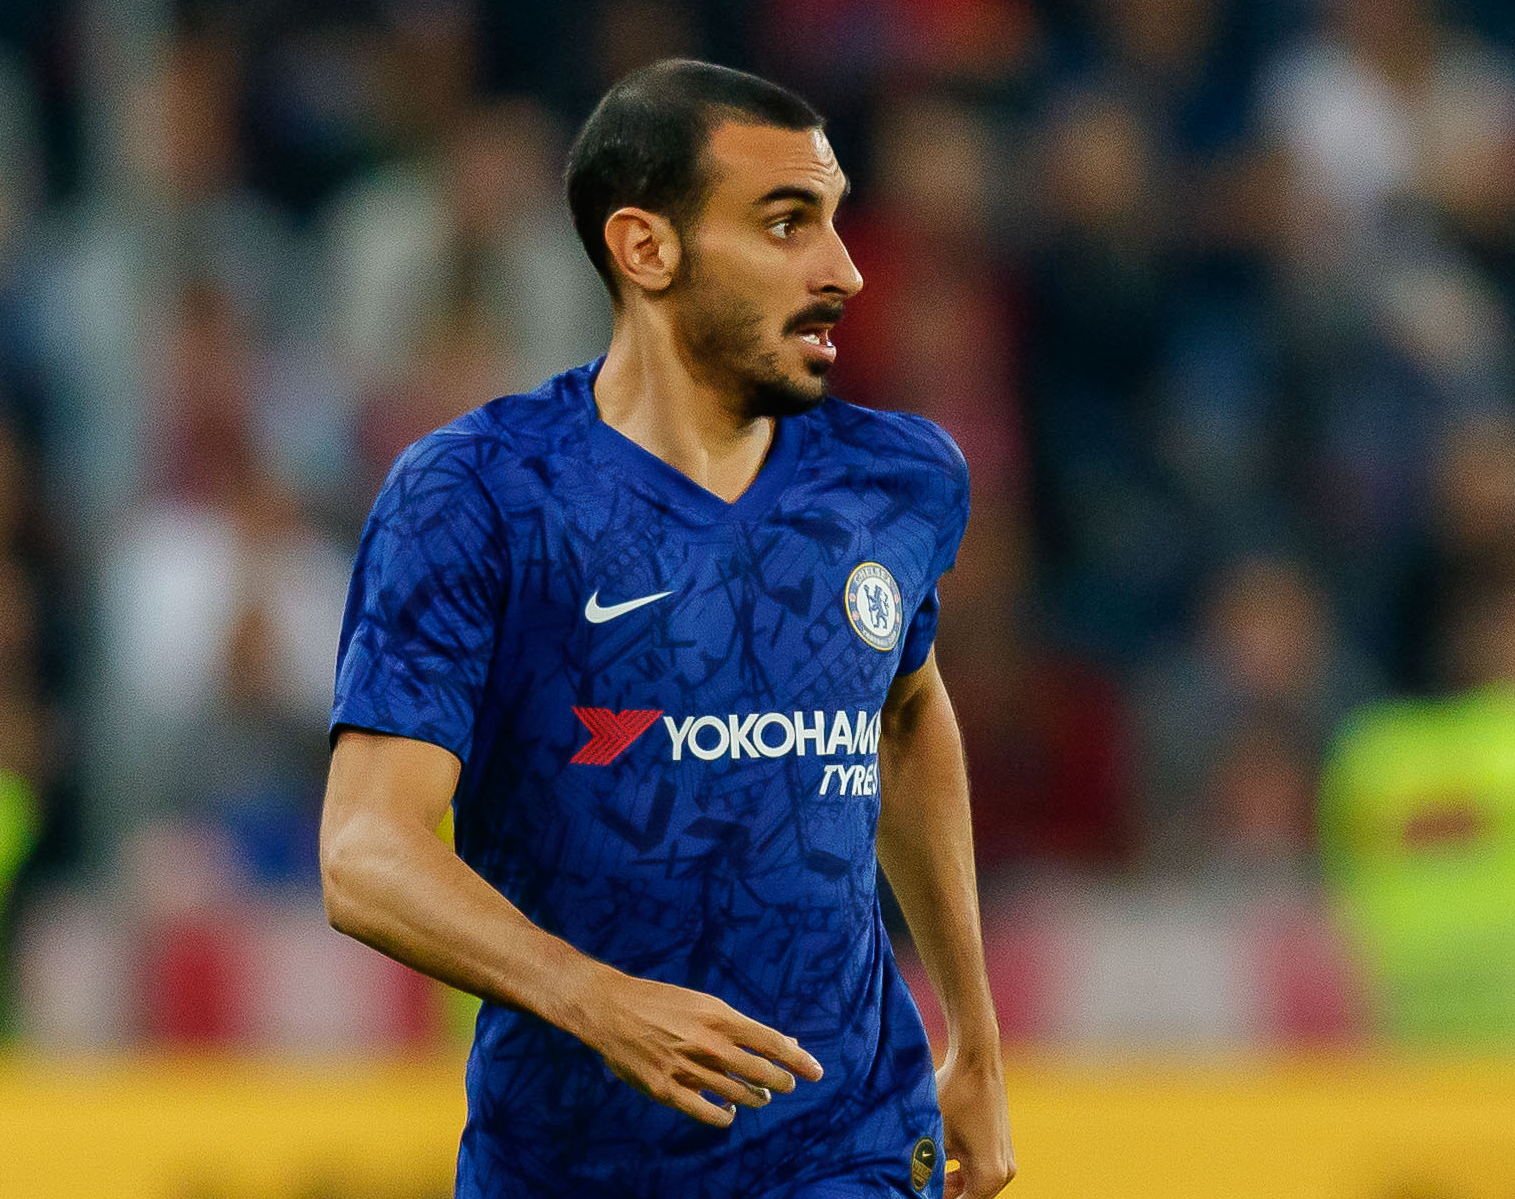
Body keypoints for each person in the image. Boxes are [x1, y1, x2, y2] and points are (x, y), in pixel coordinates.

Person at [319, 59, 1016, 1198]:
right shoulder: (478, 495)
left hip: (847, 1144)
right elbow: (365, 853)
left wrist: (974, 1040)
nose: (842, 270)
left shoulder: (895, 477)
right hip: (567, 1162)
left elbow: (902, 714)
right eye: (786, 224)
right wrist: (599, 1001)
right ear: (646, 249)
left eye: (835, 220)